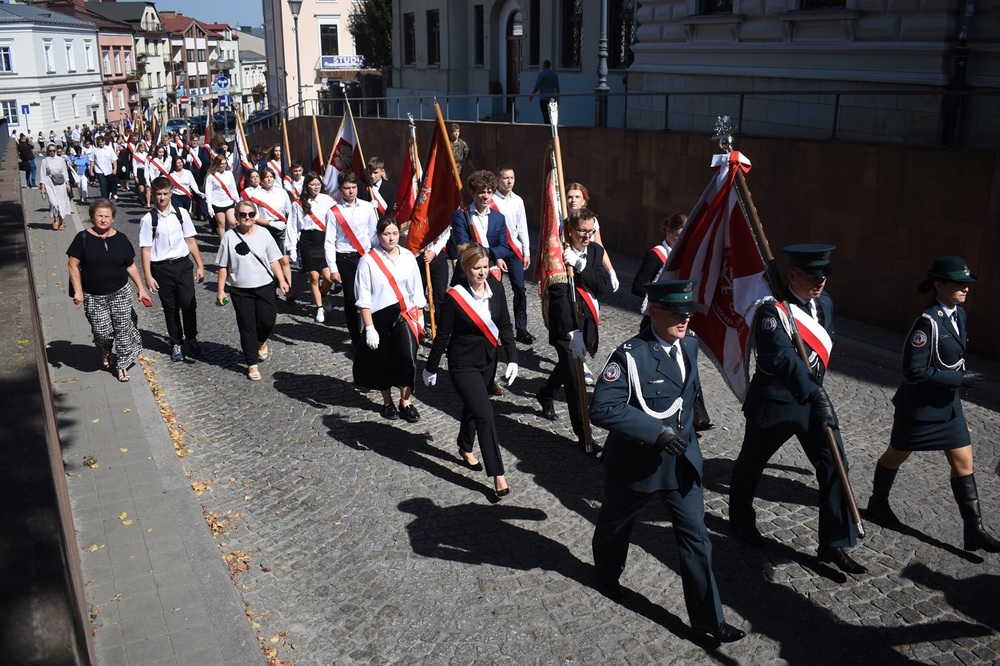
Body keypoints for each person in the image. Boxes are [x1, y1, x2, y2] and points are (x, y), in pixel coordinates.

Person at [590, 279, 746, 643]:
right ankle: (607, 573)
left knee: (696, 538)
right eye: (676, 312)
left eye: (688, 312)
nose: (685, 318)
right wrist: (655, 432)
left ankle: (708, 617)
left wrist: (695, 425)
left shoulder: (688, 344)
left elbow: (688, 392)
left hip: (682, 464)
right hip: (637, 465)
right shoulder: (630, 355)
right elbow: (603, 408)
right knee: (615, 526)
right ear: (653, 311)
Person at [728, 244, 865, 574]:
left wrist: (815, 396)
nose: (819, 283)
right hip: (775, 402)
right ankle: (741, 521)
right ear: (792, 275)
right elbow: (782, 360)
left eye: (824, 276)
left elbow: (819, 352)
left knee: (835, 464)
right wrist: (816, 395)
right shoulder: (772, 312)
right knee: (751, 463)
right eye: (811, 276)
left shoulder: (825, 305)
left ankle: (832, 543)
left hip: (810, 402)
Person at [866, 256, 1000, 552]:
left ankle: (974, 529)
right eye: (959, 284)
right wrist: (959, 380)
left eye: (968, 284)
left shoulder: (959, 315)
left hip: (948, 408)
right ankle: (877, 504)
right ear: (938, 285)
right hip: (920, 409)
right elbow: (913, 371)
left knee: (964, 462)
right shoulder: (926, 323)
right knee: (895, 456)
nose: (966, 289)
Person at [423, 244, 518, 500]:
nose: (482, 272)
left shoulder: (497, 288)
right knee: (485, 413)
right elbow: (442, 336)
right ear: (465, 268)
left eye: (486, 267)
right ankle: (498, 475)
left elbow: (506, 325)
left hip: (488, 362)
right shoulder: (455, 297)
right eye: (477, 268)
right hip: (462, 364)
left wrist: (513, 359)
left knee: (473, 408)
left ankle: (464, 446)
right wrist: (431, 367)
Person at [632, 212, 716, 432]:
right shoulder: (656, 256)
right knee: (655, 368)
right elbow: (638, 285)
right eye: (678, 235)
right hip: (657, 321)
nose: (681, 240)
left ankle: (698, 415)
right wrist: (663, 297)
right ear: (668, 232)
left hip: (679, 321)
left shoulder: (686, 258)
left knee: (688, 365)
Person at [536, 208, 610, 454]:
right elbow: (559, 300)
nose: (587, 236)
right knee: (575, 379)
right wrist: (571, 332)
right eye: (582, 232)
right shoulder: (558, 257)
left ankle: (545, 393)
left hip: (586, 323)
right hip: (565, 328)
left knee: (567, 368)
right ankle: (583, 435)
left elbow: (602, 284)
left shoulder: (596, 251)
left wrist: (580, 266)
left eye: (591, 231)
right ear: (570, 230)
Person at [67, 199, 151, 382]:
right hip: (93, 295)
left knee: (122, 329)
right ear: (92, 217)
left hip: (120, 291)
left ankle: (122, 364)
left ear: (113, 218)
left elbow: (130, 266)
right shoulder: (82, 238)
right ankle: (105, 350)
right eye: (99, 216)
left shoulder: (121, 239)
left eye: (107, 216)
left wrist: (141, 288)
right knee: (102, 331)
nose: (103, 220)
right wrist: (78, 291)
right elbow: (73, 265)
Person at [354, 217, 426, 422]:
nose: (391, 237)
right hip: (379, 317)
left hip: (405, 315)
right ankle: (387, 402)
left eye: (395, 233)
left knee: (408, 358)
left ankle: (406, 402)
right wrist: (369, 328)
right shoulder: (367, 261)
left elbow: (417, 289)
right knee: (383, 361)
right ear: (379, 236)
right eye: (387, 234)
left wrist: (420, 318)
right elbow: (363, 298)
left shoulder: (408, 257)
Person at [216, 200, 290, 381]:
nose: (247, 218)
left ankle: (259, 342)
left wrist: (281, 280)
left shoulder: (264, 234)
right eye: (243, 214)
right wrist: (220, 290)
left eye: (250, 214)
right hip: (240, 289)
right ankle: (251, 364)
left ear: (255, 216)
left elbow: (274, 259)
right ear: (237, 217)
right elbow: (223, 266)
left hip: (265, 286)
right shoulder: (229, 237)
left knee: (268, 320)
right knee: (247, 326)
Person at [139, 176, 206, 363]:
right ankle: (176, 341)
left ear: (171, 193)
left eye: (165, 194)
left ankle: (191, 337)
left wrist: (200, 264)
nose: (162, 198)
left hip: (183, 264)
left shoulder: (181, 214)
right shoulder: (148, 219)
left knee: (188, 303)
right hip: (161, 268)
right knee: (170, 307)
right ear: (153, 194)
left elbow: (191, 240)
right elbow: (145, 248)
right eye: (159, 194)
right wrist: (148, 276)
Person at [325, 170, 379, 347]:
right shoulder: (334, 212)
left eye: (354, 187)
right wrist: (333, 268)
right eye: (347, 188)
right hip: (345, 258)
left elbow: (373, 235)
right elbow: (329, 242)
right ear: (340, 189)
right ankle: (355, 337)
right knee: (350, 299)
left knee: (370, 295)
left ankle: (370, 328)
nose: (351, 191)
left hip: (365, 257)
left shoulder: (367, 207)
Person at [287, 172, 336, 322]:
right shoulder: (298, 203)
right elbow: (292, 225)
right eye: (312, 184)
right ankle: (319, 308)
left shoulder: (327, 200)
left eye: (318, 184)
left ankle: (324, 294)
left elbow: (335, 218)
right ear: (307, 185)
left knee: (329, 277)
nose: (315, 187)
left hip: (324, 240)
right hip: (307, 241)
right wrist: (292, 248)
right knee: (314, 277)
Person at [492, 166, 533, 344]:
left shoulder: (518, 200)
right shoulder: (491, 200)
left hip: (514, 250)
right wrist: (496, 257)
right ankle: (496, 326)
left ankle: (521, 328)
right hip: (497, 250)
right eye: (505, 178)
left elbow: (522, 227)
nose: (509, 181)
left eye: (512, 178)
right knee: (496, 290)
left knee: (520, 289)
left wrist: (526, 252)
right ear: (498, 180)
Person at [247, 167, 293, 299]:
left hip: (281, 227)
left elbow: (289, 212)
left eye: (271, 176)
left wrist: (287, 227)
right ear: (261, 179)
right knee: (269, 261)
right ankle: (272, 290)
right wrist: (270, 224)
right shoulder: (256, 195)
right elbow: (254, 217)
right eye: (266, 177)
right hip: (265, 228)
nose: (269, 179)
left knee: (284, 260)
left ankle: (289, 291)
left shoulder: (282, 193)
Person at [566, 182, 619, 293]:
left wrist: (611, 271)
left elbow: (599, 246)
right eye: (570, 197)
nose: (573, 200)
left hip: (588, 262)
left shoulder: (592, 221)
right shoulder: (561, 221)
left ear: (584, 200)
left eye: (577, 197)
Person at [39, 143, 73, 231]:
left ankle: (61, 221)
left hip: (60, 184)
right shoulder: (44, 161)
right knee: (54, 203)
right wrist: (43, 187)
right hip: (49, 184)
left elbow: (64, 172)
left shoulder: (61, 160)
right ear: (47, 151)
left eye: (54, 151)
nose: (52, 152)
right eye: (50, 151)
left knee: (61, 202)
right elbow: (43, 174)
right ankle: (55, 220)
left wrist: (67, 183)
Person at [205, 156, 240, 238]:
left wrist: (237, 200)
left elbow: (233, 188)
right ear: (217, 164)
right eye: (221, 164)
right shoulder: (211, 176)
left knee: (232, 222)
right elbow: (208, 192)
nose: (223, 166)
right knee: (221, 225)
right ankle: (223, 244)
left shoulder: (229, 174)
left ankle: (230, 240)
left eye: (225, 164)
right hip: (217, 203)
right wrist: (209, 206)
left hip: (229, 201)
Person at [529, 60, 561, 124]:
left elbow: (537, 85)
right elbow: (557, 87)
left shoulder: (541, 74)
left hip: (543, 98)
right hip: (552, 98)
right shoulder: (554, 75)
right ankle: (553, 130)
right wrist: (558, 98)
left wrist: (532, 94)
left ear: (544, 65)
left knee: (545, 115)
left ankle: (547, 128)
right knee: (552, 116)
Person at [89, 135, 118, 200]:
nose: (101, 143)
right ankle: (105, 200)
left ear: (104, 142)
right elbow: (92, 160)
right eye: (99, 142)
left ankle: (107, 196)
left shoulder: (109, 149)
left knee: (108, 186)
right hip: (99, 171)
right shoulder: (94, 150)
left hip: (108, 170)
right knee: (103, 186)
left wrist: (115, 168)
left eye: (102, 142)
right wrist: (91, 170)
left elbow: (114, 159)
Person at [132, 141, 150, 207]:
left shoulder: (147, 155)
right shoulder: (136, 155)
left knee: (147, 188)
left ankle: (148, 203)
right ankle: (142, 200)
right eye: (141, 147)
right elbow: (134, 166)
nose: (142, 149)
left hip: (146, 171)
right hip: (139, 172)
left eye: (143, 147)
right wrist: (135, 176)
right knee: (141, 188)